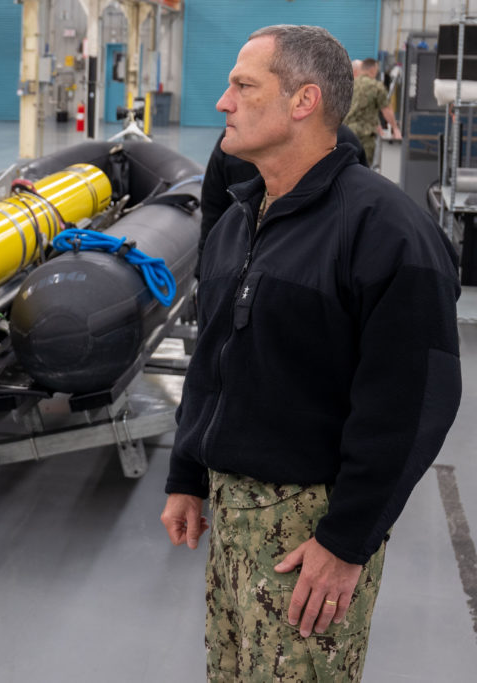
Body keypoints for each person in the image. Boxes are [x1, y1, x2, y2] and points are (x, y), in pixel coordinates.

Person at [160, 25, 461, 682]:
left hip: (310, 531)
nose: (222, 103)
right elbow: (215, 358)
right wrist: (187, 469)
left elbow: (413, 402)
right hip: (231, 522)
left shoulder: (386, 230)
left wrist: (346, 540)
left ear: (304, 101)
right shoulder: (241, 219)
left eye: (243, 86)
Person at [197, 124, 367, 278]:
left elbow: (212, 213)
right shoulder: (343, 141)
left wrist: (203, 273)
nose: (224, 104)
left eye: (244, 87)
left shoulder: (232, 144)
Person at [344, 57, 402, 166]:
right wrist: (395, 128)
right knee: (363, 168)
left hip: (346, 133)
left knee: (346, 166)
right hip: (365, 136)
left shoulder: (349, 85)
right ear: (373, 69)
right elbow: (386, 110)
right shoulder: (376, 86)